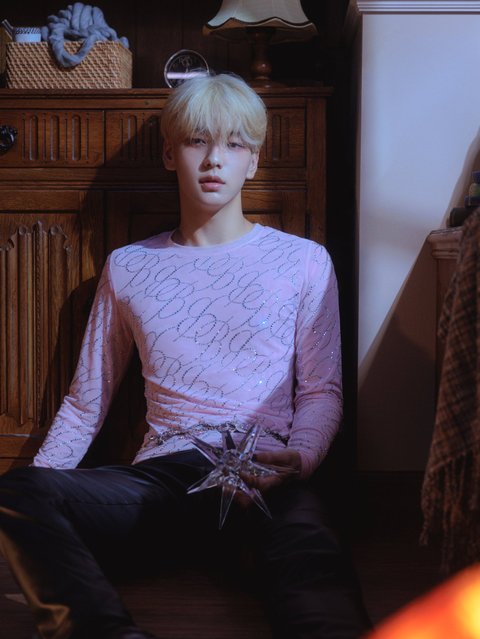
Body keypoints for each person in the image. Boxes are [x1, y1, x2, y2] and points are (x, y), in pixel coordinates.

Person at [0, 73, 371, 639]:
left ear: (254, 161)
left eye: (235, 144)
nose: (214, 159)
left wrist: (299, 459)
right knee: (20, 488)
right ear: (170, 154)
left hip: (264, 472)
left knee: (316, 565)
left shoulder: (304, 261)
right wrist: (35, 502)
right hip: (164, 481)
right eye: (198, 141)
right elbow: (86, 401)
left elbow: (322, 389)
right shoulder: (129, 265)